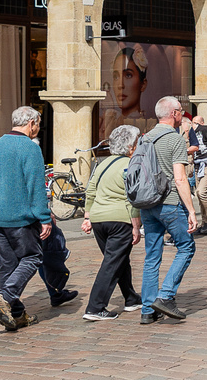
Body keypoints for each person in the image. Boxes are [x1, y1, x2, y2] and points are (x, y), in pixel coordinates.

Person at [0, 106, 51, 330]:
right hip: (19, 217)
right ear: (31, 123)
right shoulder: (29, 148)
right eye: (38, 125)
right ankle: (5, 297)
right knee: (32, 257)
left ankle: (17, 314)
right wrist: (44, 217)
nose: (37, 129)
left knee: (8, 264)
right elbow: (36, 186)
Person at [138, 96, 198, 324]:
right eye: (181, 111)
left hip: (147, 205)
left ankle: (147, 310)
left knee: (152, 256)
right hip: (169, 203)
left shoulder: (145, 139)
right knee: (186, 247)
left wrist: (136, 217)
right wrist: (191, 210)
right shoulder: (174, 140)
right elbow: (180, 178)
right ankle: (166, 296)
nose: (182, 114)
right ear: (173, 113)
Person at [80, 125, 143, 320]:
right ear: (132, 146)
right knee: (111, 263)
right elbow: (132, 198)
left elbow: (91, 190)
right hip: (120, 219)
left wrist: (88, 217)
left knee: (118, 260)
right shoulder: (131, 165)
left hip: (99, 218)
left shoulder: (103, 163)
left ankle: (131, 298)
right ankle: (95, 307)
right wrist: (136, 226)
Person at [187, 114, 207, 235]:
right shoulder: (191, 133)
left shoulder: (205, 129)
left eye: (195, 123)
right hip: (197, 166)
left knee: (200, 192)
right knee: (200, 195)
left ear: (200, 123)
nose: (193, 125)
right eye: (192, 123)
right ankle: (205, 223)